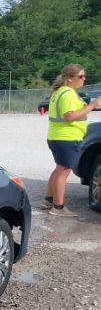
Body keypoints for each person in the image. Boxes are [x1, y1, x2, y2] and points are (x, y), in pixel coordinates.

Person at [42, 63, 101, 216]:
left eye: (84, 77)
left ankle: (48, 200)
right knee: (63, 172)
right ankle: (58, 207)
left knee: (59, 169)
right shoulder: (68, 93)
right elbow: (69, 116)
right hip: (66, 138)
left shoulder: (59, 92)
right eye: (81, 77)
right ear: (69, 78)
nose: (84, 80)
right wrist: (92, 105)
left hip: (57, 137)